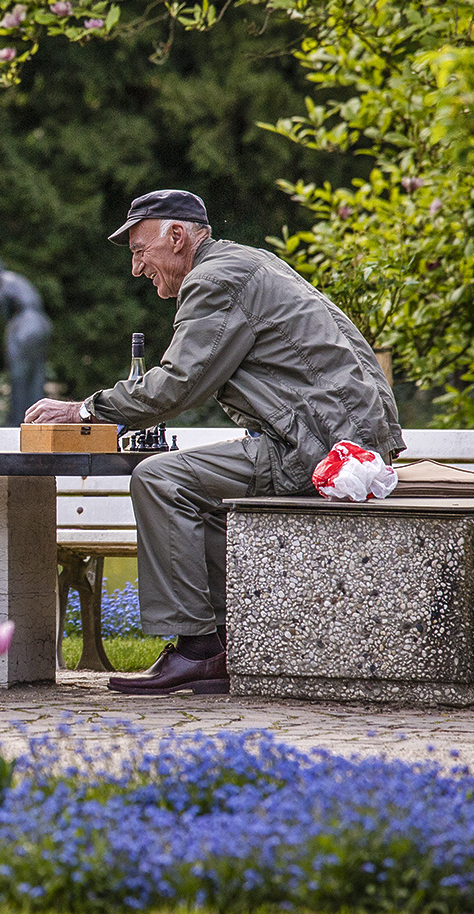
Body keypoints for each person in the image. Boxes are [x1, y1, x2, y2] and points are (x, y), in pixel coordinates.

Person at [24, 189, 402, 696]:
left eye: (140, 251)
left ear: (176, 237)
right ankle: (222, 643)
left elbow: (179, 383)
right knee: (199, 494)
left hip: (315, 452)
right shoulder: (253, 263)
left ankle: (196, 650)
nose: (137, 269)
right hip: (338, 446)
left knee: (161, 479)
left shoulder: (213, 279)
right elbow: (352, 340)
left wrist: (84, 410)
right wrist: (378, 441)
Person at [0, 253, 53, 428]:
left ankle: (19, 422)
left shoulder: (4, 284)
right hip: (42, 323)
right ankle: (37, 419)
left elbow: (7, 315)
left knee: (19, 376)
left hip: (25, 326)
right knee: (36, 376)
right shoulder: (16, 280)